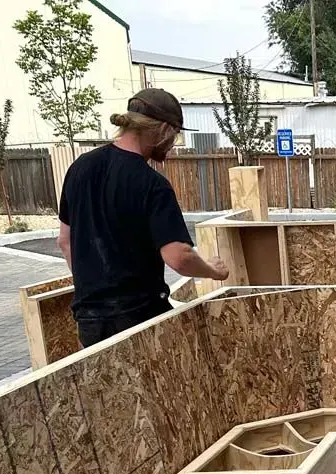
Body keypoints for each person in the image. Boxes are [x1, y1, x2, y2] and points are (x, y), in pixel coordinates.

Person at [57, 88, 228, 346]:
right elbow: (179, 257)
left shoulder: (79, 168)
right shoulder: (151, 184)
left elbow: (65, 241)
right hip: (140, 322)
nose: (172, 144)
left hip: (89, 323)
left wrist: (95, 290)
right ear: (162, 130)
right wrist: (212, 271)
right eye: (175, 135)